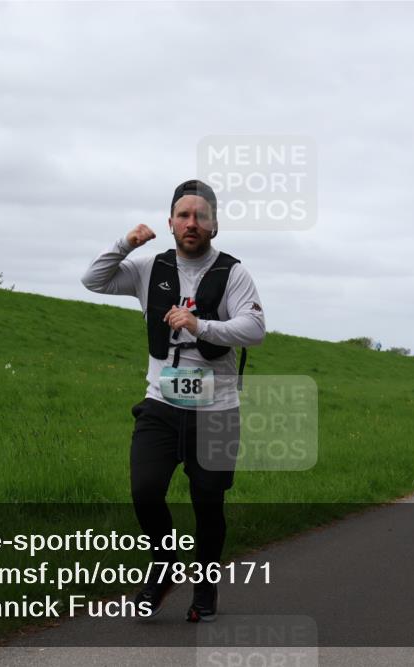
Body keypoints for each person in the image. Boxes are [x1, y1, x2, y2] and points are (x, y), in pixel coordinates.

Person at [82, 179, 266, 622]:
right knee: (145, 492)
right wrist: (125, 243)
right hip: (161, 405)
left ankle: (205, 589)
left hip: (216, 410)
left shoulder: (233, 273)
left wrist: (201, 326)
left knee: (208, 504)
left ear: (214, 225)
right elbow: (93, 280)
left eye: (201, 216)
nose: (192, 223)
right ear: (170, 223)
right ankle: (164, 566)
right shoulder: (151, 268)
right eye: (183, 215)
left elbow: (255, 329)